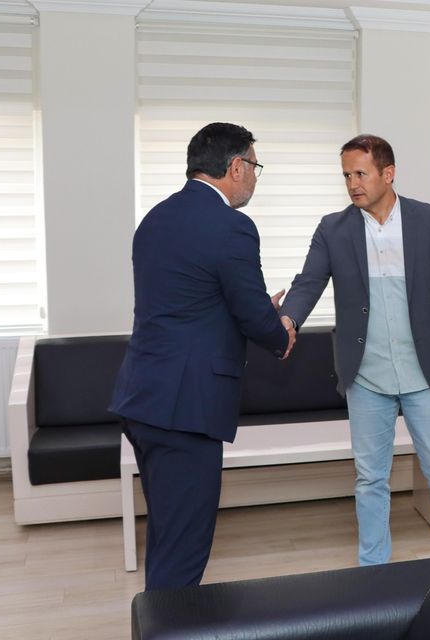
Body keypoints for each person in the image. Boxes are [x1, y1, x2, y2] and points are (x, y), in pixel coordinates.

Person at [110, 122, 295, 590]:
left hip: (143, 399)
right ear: (236, 167)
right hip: (185, 410)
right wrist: (279, 330)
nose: (254, 177)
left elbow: (190, 301)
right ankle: (169, 622)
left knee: (167, 535)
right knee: (183, 553)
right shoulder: (232, 226)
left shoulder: (155, 219)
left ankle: (157, 618)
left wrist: (255, 311)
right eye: (254, 166)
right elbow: (252, 316)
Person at [280, 133, 430, 566]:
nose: (352, 184)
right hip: (365, 375)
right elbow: (308, 282)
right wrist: (288, 319)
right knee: (370, 479)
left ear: (388, 174)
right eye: (346, 175)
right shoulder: (332, 229)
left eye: (361, 174)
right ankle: (373, 570)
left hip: (427, 373)